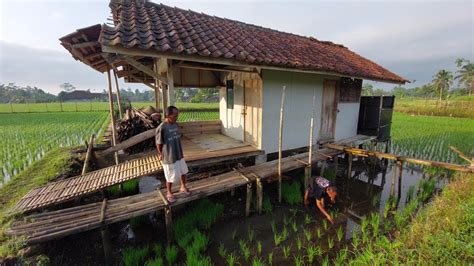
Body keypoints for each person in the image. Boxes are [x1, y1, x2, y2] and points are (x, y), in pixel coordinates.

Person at [155, 106, 190, 203]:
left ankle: (183, 187)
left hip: (179, 153)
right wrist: (160, 154)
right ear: (167, 115)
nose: (177, 117)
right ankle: (169, 192)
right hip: (169, 156)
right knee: (169, 176)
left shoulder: (175, 125)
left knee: (184, 171)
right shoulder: (162, 127)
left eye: (177, 115)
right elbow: (158, 143)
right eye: (175, 115)